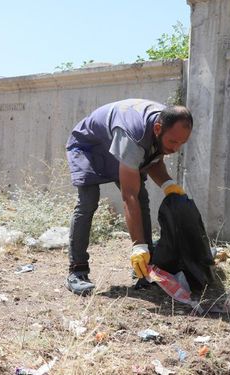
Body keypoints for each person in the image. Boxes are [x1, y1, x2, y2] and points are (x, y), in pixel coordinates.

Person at [65, 98, 193, 295]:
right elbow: (129, 195)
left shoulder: (165, 124)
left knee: (143, 200)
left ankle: (144, 270)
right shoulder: (133, 135)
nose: (176, 148)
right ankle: (77, 271)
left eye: (182, 143)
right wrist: (138, 246)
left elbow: (155, 156)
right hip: (90, 147)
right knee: (88, 202)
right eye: (173, 141)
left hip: (118, 145)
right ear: (158, 129)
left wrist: (167, 184)